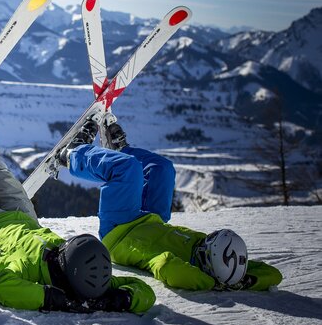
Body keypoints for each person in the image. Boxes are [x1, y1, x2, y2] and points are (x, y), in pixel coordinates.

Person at [0, 105, 156, 314]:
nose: (60, 247)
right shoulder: (93, 279)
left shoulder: (29, 269)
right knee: (0, 174)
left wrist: (52, 299)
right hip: (24, 220)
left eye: (63, 250)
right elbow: (145, 291)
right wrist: (116, 300)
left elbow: (2, 288)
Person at [62, 115, 283, 291]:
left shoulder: (173, 264)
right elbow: (273, 274)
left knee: (127, 169)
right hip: (152, 220)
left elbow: (171, 270)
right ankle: (120, 149)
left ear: (210, 259)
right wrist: (238, 279)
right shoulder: (216, 258)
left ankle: (73, 153)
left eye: (210, 244)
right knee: (162, 168)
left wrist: (213, 283)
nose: (207, 239)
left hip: (120, 232)